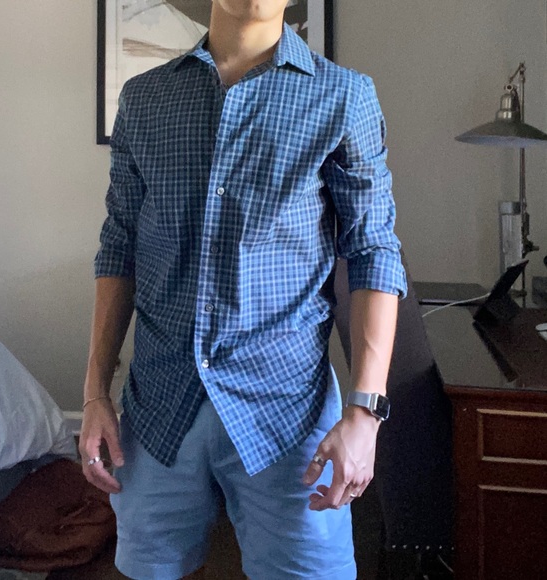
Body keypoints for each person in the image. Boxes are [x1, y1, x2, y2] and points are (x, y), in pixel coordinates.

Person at [80, 1, 407, 578]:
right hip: (157, 410)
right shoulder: (145, 98)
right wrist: (93, 393)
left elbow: (373, 252)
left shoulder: (343, 96)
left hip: (288, 415)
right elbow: (119, 245)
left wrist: (365, 413)